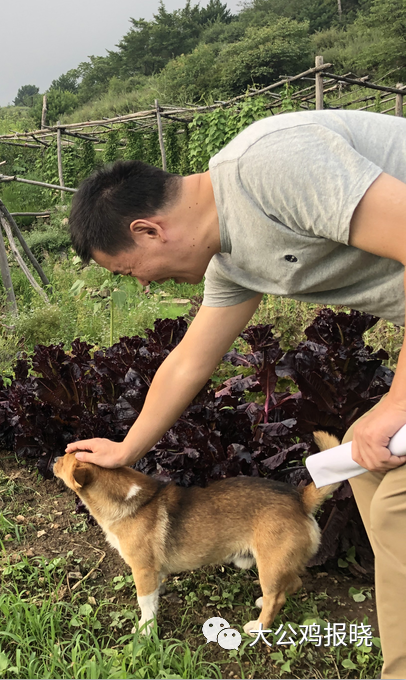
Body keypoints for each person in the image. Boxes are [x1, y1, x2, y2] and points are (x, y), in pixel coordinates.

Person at [64, 109, 406, 678]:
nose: (143, 285)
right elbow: (189, 364)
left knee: (397, 501)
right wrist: (125, 451)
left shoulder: (269, 168)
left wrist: (397, 402)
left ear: (147, 230)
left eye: (130, 272)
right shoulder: (232, 259)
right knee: (373, 470)